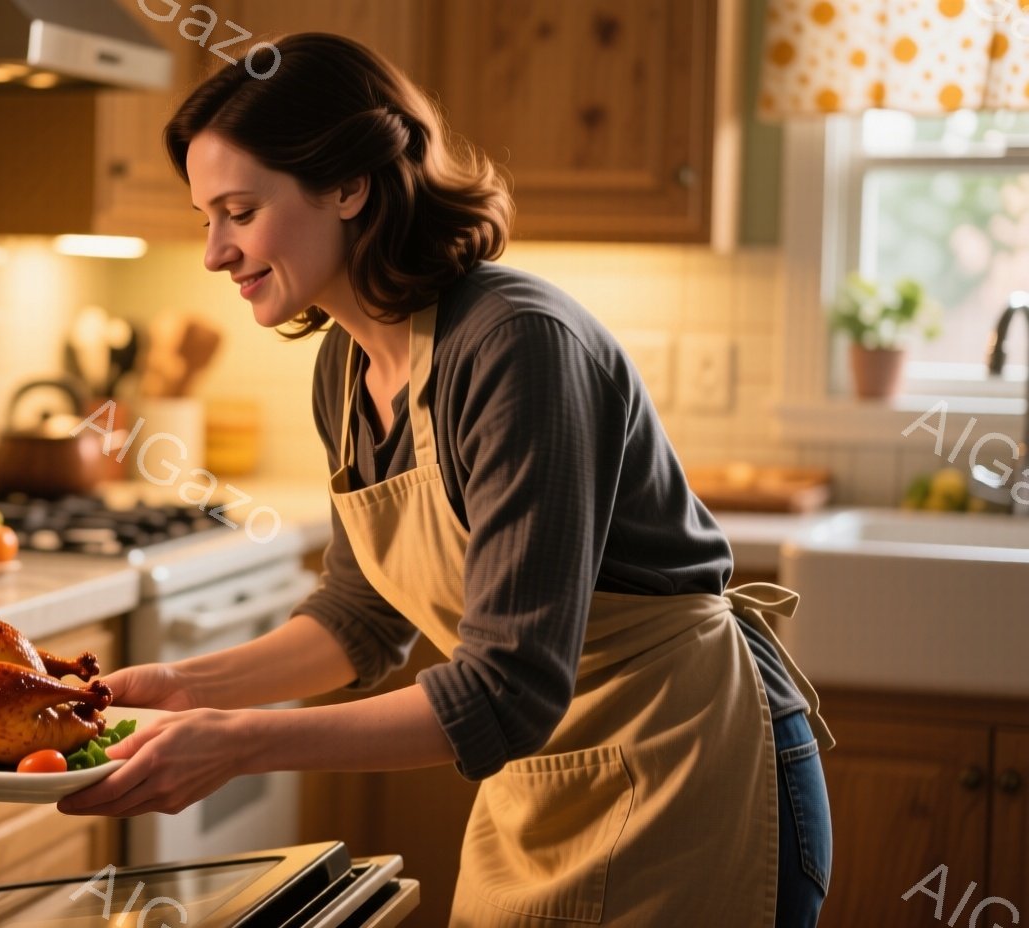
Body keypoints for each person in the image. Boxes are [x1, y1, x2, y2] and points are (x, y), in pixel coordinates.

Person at [57, 32, 834, 927]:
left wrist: (236, 743)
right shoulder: (346, 367)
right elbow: (360, 617)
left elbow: (508, 690)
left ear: (349, 186)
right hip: (543, 786)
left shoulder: (517, 346)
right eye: (207, 218)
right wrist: (188, 687)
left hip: (689, 768)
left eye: (239, 210)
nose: (215, 252)